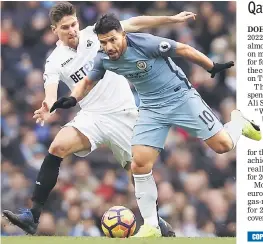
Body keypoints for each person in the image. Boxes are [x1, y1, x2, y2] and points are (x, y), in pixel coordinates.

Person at [48, 14, 261, 237]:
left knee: (223, 146)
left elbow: (185, 50)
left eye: (112, 40)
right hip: (151, 108)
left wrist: (212, 66)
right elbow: (88, 81)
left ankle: (237, 124)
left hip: (181, 98)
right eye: (103, 42)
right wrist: (73, 99)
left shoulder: (145, 43)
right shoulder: (103, 58)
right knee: (139, 164)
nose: (108, 46)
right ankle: (151, 225)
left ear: (123, 34)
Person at [2, 2, 196, 236]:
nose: (72, 30)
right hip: (92, 116)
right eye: (65, 27)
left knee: (139, 170)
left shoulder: (96, 34)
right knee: (57, 146)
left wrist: (172, 19)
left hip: (124, 113)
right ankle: (33, 215)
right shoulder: (54, 60)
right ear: (54, 30)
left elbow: (136, 23)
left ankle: (155, 223)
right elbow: (51, 90)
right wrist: (48, 105)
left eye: (73, 24)